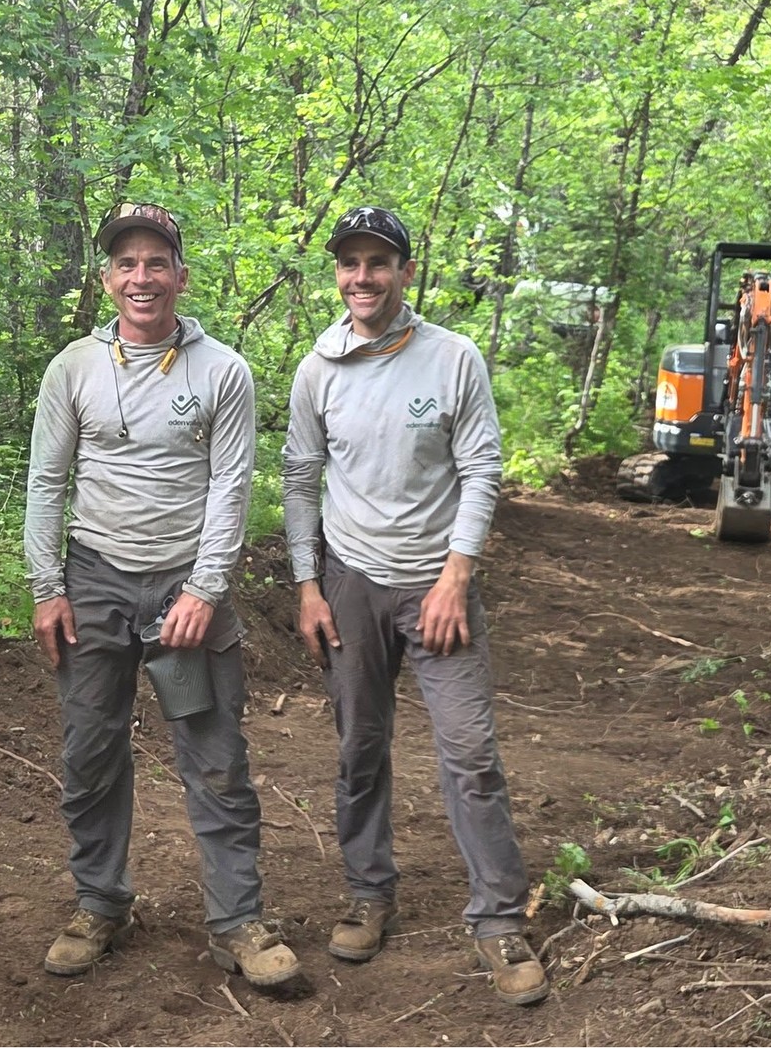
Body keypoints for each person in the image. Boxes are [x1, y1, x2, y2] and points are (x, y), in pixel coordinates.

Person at [23, 201, 301, 988]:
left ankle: (236, 921)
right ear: (107, 277)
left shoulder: (224, 372)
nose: (141, 277)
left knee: (215, 758)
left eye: (156, 263)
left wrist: (206, 589)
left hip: (185, 589)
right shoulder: (73, 366)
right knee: (90, 753)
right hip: (96, 579)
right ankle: (99, 903)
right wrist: (48, 587)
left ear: (180, 274)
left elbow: (230, 488)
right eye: (126, 263)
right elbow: (48, 481)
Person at [280, 205, 548, 1005]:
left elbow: (482, 467)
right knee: (359, 746)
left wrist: (456, 576)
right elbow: (299, 479)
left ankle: (499, 917)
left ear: (405, 269)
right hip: (351, 583)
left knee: (470, 753)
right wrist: (307, 584)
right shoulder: (318, 367)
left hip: (439, 587)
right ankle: (369, 893)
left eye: (377, 262)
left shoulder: (452, 358)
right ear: (338, 272)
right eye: (349, 263)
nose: (362, 277)